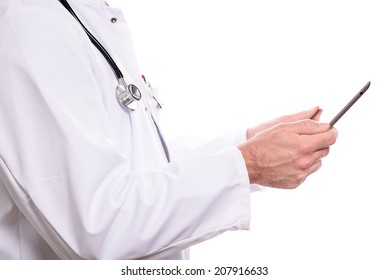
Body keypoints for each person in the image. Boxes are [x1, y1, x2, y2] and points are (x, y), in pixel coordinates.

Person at [0, 0, 337, 260]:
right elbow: (100, 226)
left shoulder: (80, 17)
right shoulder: (30, 26)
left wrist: (248, 144)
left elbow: (139, 166)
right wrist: (249, 164)